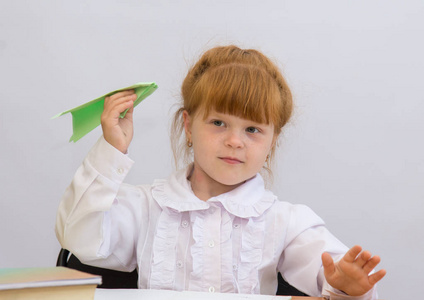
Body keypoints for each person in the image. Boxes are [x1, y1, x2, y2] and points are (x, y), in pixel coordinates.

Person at [55, 45, 386, 299]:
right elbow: (79, 238)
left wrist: (348, 284)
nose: (234, 142)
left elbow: (332, 269)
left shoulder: (288, 222)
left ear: (273, 140)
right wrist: (112, 150)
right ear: (188, 124)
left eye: (253, 130)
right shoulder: (144, 206)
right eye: (218, 123)